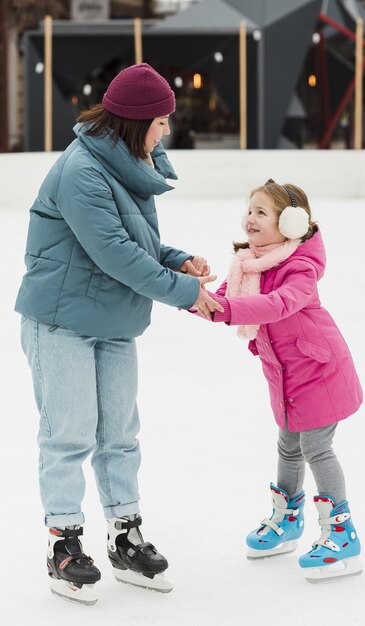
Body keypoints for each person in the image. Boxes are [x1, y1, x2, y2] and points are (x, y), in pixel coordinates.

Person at [15, 63, 223, 605]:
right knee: (69, 432)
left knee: (120, 433)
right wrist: (185, 293)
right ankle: (64, 543)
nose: (166, 132)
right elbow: (114, 253)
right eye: (160, 121)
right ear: (135, 121)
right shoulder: (81, 170)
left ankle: (124, 536)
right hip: (61, 321)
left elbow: (137, 241)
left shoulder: (127, 161)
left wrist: (179, 261)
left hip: (110, 320)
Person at [191, 179, 363, 583]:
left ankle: (343, 534)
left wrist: (223, 309)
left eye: (262, 213)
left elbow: (277, 305)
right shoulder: (249, 263)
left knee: (316, 448)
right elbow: (219, 302)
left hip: (319, 371)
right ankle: (288, 521)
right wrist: (187, 291)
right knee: (288, 446)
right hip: (285, 374)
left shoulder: (299, 267)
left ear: (290, 223)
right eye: (249, 210)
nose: (250, 219)